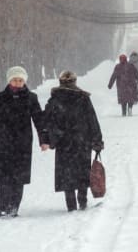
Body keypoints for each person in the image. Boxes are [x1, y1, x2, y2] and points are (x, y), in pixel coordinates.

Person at [0, 66, 47, 218]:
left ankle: (13, 208)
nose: (17, 82)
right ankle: (3, 209)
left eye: (20, 80)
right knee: (4, 178)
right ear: (9, 80)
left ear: (24, 81)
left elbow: (39, 120)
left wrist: (43, 140)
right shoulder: (0, 97)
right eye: (14, 80)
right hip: (2, 142)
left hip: (22, 144)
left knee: (19, 178)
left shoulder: (31, 98)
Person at [42, 70, 104, 212]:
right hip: (82, 141)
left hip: (63, 142)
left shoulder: (55, 100)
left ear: (60, 82)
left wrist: (47, 139)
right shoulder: (83, 98)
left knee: (66, 174)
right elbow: (92, 120)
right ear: (75, 82)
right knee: (83, 172)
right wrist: (97, 140)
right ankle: (82, 201)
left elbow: (47, 122)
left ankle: (71, 205)